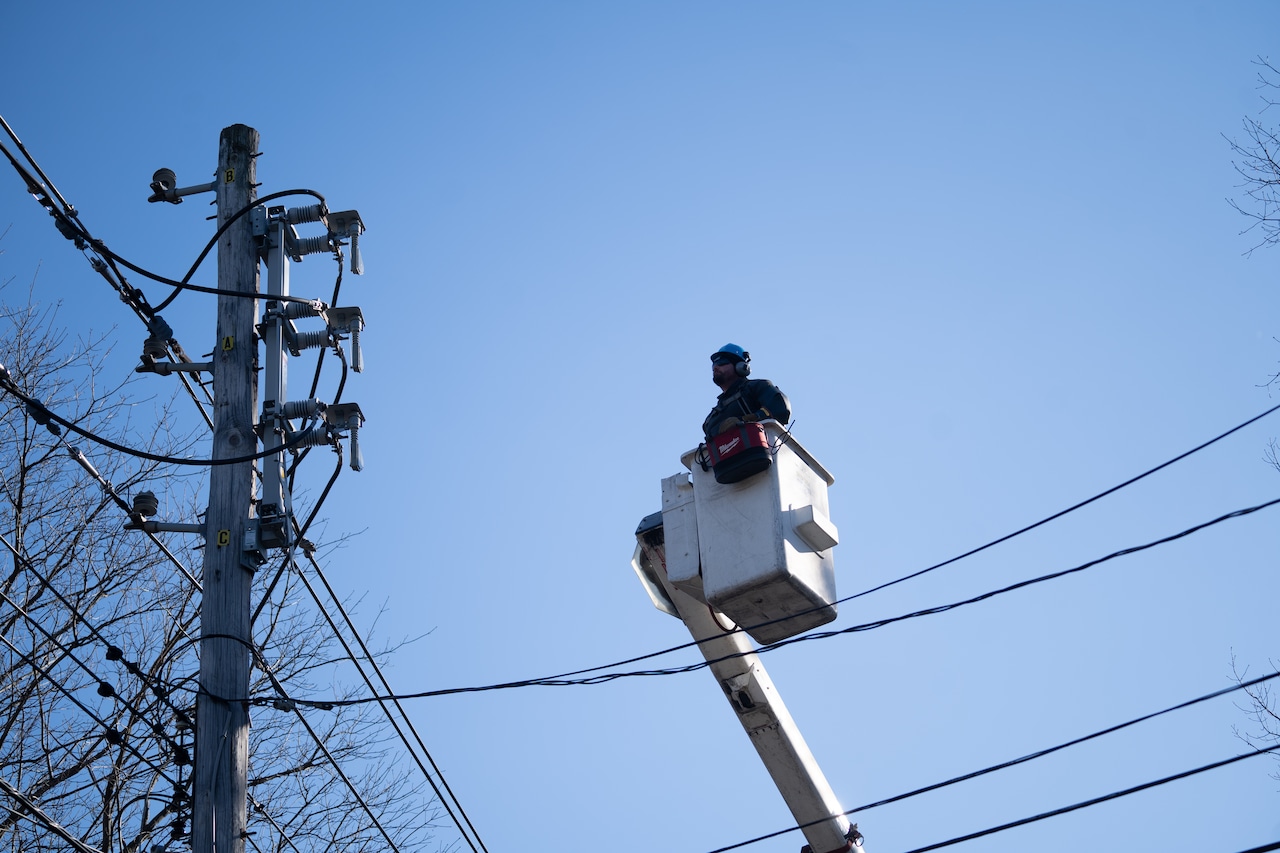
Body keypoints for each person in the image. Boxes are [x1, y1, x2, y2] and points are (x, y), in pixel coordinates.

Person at [702, 343, 791, 440]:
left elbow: (780, 408)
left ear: (741, 367)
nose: (716, 368)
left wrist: (747, 420)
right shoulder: (711, 419)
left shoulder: (757, 387)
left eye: (722, 363)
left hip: (761, 446)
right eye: (714, 365)